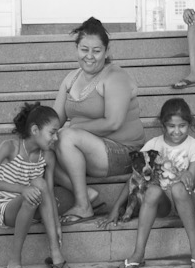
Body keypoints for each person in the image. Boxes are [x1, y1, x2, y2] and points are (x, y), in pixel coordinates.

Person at [51, 17, 146, 224]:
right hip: (90, 149)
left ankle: (83, 206)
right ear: (76, 48)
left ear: (107, 51)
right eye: (84, 49)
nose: (90, 56)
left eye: (97, 51)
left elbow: (113, 122)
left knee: (64, 137)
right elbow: (55, 120)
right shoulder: (71, 78)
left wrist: (73, 129)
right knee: (44, 147)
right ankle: (86, 194)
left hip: (123, 151)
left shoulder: (114, 76)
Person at [114, 98, 195, 268]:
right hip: (162, 203)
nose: (177, 131)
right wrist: (116, 207)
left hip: (187, 199)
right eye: (172, 126)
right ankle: (138, 253)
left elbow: (192, 184)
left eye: (182, 126)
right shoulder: (153, 145)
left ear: (189, 124)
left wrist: (186, 174)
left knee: (178, 188)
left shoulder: (194, 146)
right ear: (163, 125)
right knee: (152, 190)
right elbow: (134, 179)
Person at [0, 102, 67, 268]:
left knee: (41, 184)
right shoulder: (10, 147)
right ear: (35, 130)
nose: (56, 138)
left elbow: (48, 191)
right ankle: (14, 261)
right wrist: (22, 189)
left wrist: (56, 223)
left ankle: (55, 252)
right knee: (36, 187)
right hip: (8, 208)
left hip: (34, 205)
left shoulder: (48, 156)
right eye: (52, 132)